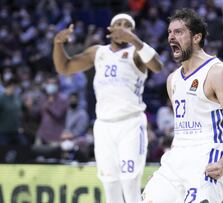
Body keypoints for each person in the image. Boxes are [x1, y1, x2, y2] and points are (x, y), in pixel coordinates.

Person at [53, 13, 163, 203]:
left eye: (127, 25)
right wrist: (58, 44)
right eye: (118, 24)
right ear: (110, 31)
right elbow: (65, 67)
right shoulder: (98, 52)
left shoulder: (137, 52)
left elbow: (157, 66)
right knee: (110, 184)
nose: (122, 27)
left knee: (130, 183)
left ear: (133, 31)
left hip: (130, 124)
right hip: (104, 126)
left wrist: (134, 41)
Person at [142, 8, 223, 203]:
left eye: (179, 32)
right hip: (177, 159)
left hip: (208, 157)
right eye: (169, 32)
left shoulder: (218, 72)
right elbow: (181, 128)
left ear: (197, 37)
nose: (171, 37)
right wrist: (166, 172)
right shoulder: (172, 80)